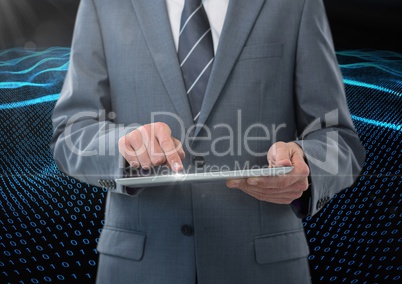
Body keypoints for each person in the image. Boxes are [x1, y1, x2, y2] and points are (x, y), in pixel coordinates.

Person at [51, 0, 365, 283]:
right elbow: (71, 132)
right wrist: (123, 147)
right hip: (139, 268)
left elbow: (340, 138)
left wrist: (308, 164)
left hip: (264, 269)